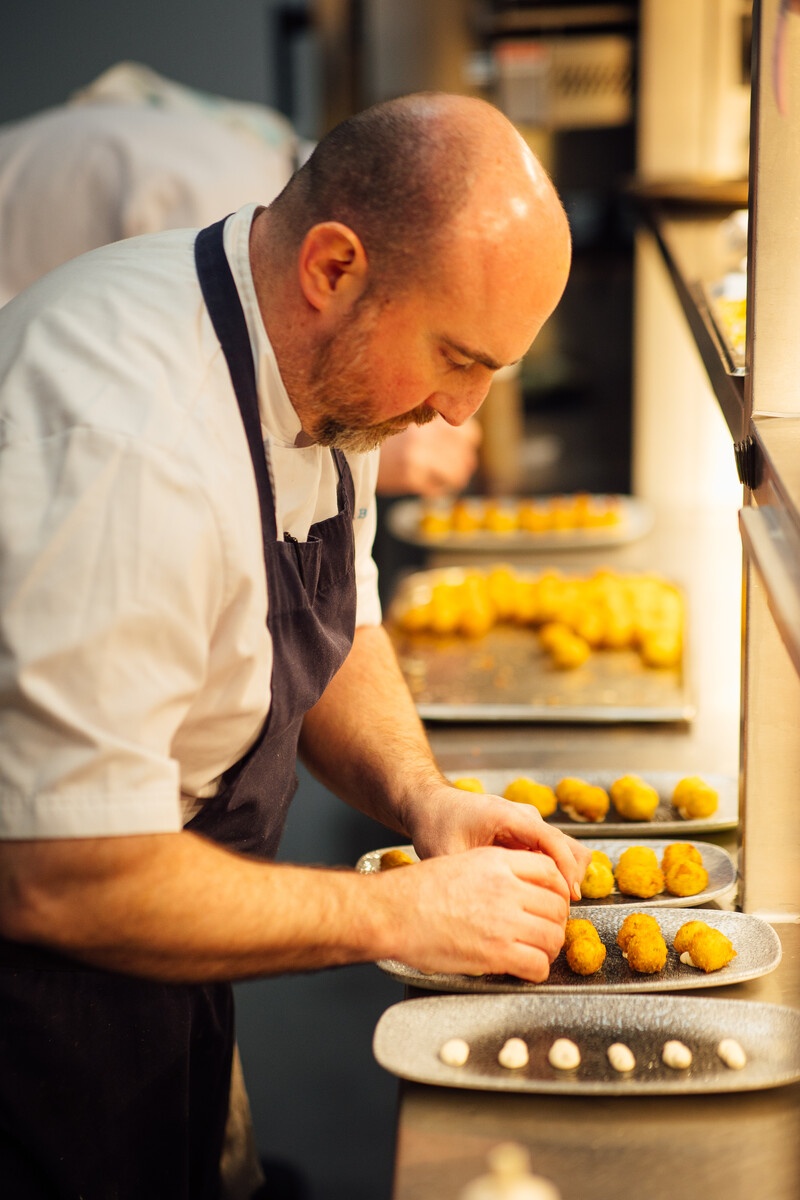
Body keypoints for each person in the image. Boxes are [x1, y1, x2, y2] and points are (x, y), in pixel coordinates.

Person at [0, 90, 584, 1198]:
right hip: (41, 990)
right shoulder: (127, 445)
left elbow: (336, 621)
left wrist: (422, 800)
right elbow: (60, 876)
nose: (460, 414)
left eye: (489, 375)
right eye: (455, 359)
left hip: (164, 946)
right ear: (332, 267)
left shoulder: (316, 368)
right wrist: (391, 912)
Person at [0, 79, 481, 500]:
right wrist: (370, 439)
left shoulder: (266, 163)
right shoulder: (224, 215)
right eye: (450, 358)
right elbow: (200, 437)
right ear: (334, 265)